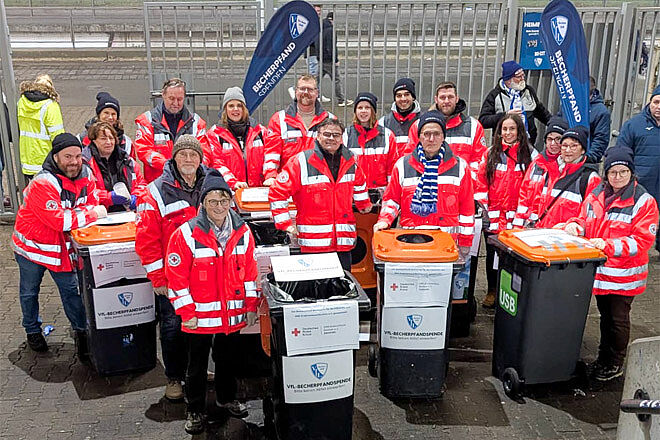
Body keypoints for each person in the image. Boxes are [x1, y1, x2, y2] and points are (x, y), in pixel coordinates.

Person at [166, 169, 259, 434]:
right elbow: (177, 278)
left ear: (231, 201)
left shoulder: (243, 231)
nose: (218, 206)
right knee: (196, 365)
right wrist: (187, 312)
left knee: (228, 359)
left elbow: (250, 273)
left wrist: (250, 307)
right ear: (202, 204)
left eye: (223, 200)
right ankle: (195, 410)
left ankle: (226, 398)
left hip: (231, 315)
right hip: (199, 317)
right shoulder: (185, 235)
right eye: (212, 201)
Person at [562, 147, 658, 381]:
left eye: (622, 172)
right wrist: (576, 225)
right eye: (613, 172)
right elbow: (585, 218)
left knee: (617, 320)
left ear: (631, 172)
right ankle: (604, 359)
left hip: (624, 276)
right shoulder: (597, 193)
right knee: (606, 318)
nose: (617, 177)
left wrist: (606, 245)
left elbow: (642, 241)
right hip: (602, 273)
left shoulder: (643, 201)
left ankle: (614, 363)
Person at [12, 133, 107, 355]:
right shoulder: (43, 183)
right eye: (67, 157)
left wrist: (81, 212)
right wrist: (90, 214)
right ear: (55, 157)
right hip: (32, 250)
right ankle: (32, 330)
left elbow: (91, 202)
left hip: (61, 250)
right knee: (29, 292)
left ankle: (81, 333)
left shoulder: (87, 174)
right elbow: (60, 221)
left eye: (77, 156)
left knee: (72, 292)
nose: (74, 162)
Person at [135, 135, 208, 402]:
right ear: (174, 158)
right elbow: (146, 239)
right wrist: (158, 277)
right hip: (173, 276)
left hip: (205, 273)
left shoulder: (210, 183)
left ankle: (196, 371)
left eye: (193, 155)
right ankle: (174, 377)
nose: (188, 160)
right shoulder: (155, 191)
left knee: (201, 325)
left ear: (200, 158)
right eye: (183, 155)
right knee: (172, 327)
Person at [269, 118, 372, 270]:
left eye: (336, 135)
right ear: (318, 136)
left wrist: (363, 204)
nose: (331, 138)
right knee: (317, 292)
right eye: (327, 134)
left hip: (344, 244)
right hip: (313, 246)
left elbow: (360, 183)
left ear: (342, 138)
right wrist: (286, 225)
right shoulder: (301, 161)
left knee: (344, 291)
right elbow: (277, 192)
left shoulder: (351, 161)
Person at [374, 111, 475, 259]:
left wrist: (465, 242)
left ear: (443, 137)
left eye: (436, 134)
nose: (431, 139)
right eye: (426, 134)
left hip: (446, 246)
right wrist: (385, 220)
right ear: (419, 137)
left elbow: (467, 209)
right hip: (411, 244)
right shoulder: (403, 166)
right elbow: (392, 200)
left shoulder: (460, 167)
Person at [475, 114, 537, 308]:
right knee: (493, 257)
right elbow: (480, 183)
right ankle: (492, 290)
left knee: (515, 259)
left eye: (512, 129)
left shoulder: (531, 155)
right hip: (493, 218)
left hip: (517, 219)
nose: (508, 133)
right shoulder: (491, 153)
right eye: (504, 129)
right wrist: (485, 211)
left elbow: (533, 188)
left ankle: (511, 292)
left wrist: (524, 217)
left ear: (519, 131)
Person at [513, 125, 600, 229]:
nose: (568, 150)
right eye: (564, 145)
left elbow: (591, 216)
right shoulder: (550, 172)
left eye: (574, 146)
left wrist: (572, 226)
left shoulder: (590, 178)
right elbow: (537, 205)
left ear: (582, 150)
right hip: (543, 235)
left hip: (568, 240)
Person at [404, 81, 487, 179]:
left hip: (460, 188)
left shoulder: (474, 126)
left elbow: (480, 160)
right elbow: (411, 157)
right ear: (436, 99)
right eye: (442, 97)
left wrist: (466, 179)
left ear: (457, 98)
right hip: (427, 186)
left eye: (450, 97)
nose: (446, 101)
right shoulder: (419, 125)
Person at [134, 78, 211, 183]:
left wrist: (191, 168)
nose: (176, 103)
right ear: (163, 95)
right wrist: (169, 165)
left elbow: (205, 153)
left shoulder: (196, 122)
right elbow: (144, 151)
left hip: (189, 183)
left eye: (179, 99)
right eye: (171, 98)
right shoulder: (147, 121)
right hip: (158, 183)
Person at [262, 75, 332, 185]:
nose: (305, 92)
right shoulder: (279, 119)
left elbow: (336, 154)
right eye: (302, 89)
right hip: (288, 184)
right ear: (296, 91)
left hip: (319, 186)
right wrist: (271, 176)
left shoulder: (330, 120)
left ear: (317, 93)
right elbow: (272, 152)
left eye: (310, 89)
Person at [615, 84, 660, 252]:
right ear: (650, 103)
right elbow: (622, 153)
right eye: (656, 102)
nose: (659, 107)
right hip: (642, 183)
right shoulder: (634, 125)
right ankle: (633, 249)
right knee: (638, 219)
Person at [513, 116, 568, 228]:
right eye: (549, 139)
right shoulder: (537, 163)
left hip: (553, 229)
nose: (553, 143)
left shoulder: (566, 168)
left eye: (558, 139)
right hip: (530, 226)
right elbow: (524, 196)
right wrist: (518, 226)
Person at [207, 87, 267, 190]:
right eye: (231, 106)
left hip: (260, 195)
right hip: (229, 195)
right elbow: (216, 163)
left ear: (244, 109)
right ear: (225, 110)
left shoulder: (260, 131)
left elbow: (271, 156)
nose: (235, 109)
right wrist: (233, 183)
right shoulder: (215, 134)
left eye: (239, 105)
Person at [478, 61, 551, 145]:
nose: (522, 79)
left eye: (523, 75)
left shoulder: (528, 91)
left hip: (528, 143)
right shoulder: (495, 95)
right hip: (503, 146)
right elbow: (483, 120)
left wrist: (555, 125)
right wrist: (505, 115)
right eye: (519, 77)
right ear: (509, 80)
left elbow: (541, 112)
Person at [83, 121, 146, 212]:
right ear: (94, 141)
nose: (108, 142)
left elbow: (141, 184)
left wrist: (136, 197)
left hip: (127, 215)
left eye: (111, 138)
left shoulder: (127, 161)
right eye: (103, 138)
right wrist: (109, 197)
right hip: (99, 216)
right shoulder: (85, 164)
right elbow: (85, 192)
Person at [343, 92, 397, 189]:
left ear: (373, 111)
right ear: (355, 111)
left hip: (380, 194)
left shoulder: (387, 135)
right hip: (356, 193)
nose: (363, 111)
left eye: (367, 108)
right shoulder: (346, 135)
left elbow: (392, 169)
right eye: (360, 108)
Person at [17, 74, 64, 182]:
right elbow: (58, 136)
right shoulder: (51, 105)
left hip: (27, 159)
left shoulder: (22, 102)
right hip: (46, 159)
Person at [79, 92, 134, 158]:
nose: (110, 117)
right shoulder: (81, 139)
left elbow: (132, 166)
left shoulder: (126, 143)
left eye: (113, 114)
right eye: (106, 113)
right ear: (99, 115)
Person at [378, 78, 421, 157]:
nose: (403, 99)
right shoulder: (383, 123)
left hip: (415, 168)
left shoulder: (422, 121)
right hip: (392, 169)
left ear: (413, 97)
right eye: (399, 95)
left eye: (407, 94)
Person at [318, 12, 352, 107]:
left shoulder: (320, 28)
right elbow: (332, 46)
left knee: (316, 79)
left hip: (321, 58)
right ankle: (341, 100)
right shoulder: (330, 30)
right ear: (333, 19)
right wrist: (335, 59)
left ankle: (307, 95)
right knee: (337, 80)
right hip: (329, 60)